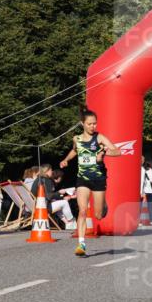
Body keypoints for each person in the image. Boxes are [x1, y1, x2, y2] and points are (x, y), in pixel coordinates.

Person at [60, 108, 121, 256]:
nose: (93, 126)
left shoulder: (100, 138)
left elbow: (117, 151)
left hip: (99, 179)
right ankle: (81, 244)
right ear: (83, 124)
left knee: (98, 215)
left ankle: (103, 205)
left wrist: (104, 152)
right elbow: (75, 150)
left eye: (95, 123)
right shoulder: (77, 139)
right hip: (83, 179)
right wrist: (66, 160)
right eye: (90, 124)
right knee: (82, 210)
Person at [31, 164, 76, 230]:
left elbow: (46, 195)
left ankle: (67, 223)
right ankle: (71, 221)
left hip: (35, 205)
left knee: (59, 204)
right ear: (46, 171)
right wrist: (59, 192)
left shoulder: (38, 179)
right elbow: (49, 196)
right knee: (64, 203)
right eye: (51, 170)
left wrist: (59, 196)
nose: (52, 172)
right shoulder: (47, 180)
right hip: (43, 207)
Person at [140, 161, 152, 225]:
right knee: (151, 207)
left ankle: (139, 221)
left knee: (140, 206)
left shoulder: (142, 171)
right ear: (151, 166)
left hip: (143, 191)